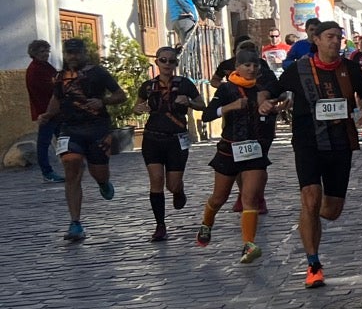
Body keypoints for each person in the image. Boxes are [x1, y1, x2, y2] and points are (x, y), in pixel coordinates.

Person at [280, 21, 362, 287]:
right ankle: (313, 265)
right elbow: (272, 90)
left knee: (331, 210)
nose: (335, 41)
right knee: (310, 199)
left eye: (339, 37)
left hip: (340, 142)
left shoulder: (350, 69)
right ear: (317, 40)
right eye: (330, 37)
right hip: (307, 142)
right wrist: (265, 101)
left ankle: (308, 217)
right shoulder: (299, 70)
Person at [197, 43, 278, 263]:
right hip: (229, 150)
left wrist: (272, 109)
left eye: (255, 65)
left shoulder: (261, 89)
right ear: (237, 66)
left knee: (250, 198)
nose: (251, 69)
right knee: (219, 197)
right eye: (247, 65)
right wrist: (230, 107)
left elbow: (267, 115)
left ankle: (248, 245)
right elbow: (206, 116)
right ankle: (207, 222)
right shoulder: (226, 89)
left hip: (253, 150)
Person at [42, 38, 126, 242]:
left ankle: (103, 182)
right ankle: (75, 223)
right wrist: (47, 115)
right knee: (71, 169)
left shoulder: (98, 73)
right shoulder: (60, 77)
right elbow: (56, 100)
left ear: (84, 53)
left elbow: (121, 95)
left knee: (99, 173)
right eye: (69, 53)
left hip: (97, 129)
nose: (73, 57)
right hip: (70, 129)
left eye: (76, 53)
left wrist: (103, 101)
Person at [134, 45, 201, 242]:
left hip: (176, 139)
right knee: (156, 181)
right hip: (153, 138)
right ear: (157, 62)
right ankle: (160, 225)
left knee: (172, 185)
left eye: (171, 61)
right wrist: (139, 108)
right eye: (163, 60)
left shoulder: (185, 84)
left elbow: (202, 105)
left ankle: (179, 191)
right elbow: (136, 107)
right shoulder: (147, 86)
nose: (167, 64)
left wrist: (188, 102)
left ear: (176, 64)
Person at [26, 39, 64, 183]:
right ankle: (47, 172)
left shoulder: (45, 66)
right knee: (44, 142)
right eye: (42, 51)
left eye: (47, 51)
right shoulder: (35, 70)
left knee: (63, 138)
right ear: (34, 53)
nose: (46, 54)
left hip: (55, 110)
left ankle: (72, 163)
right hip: (46, 111)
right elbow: (51, 88)